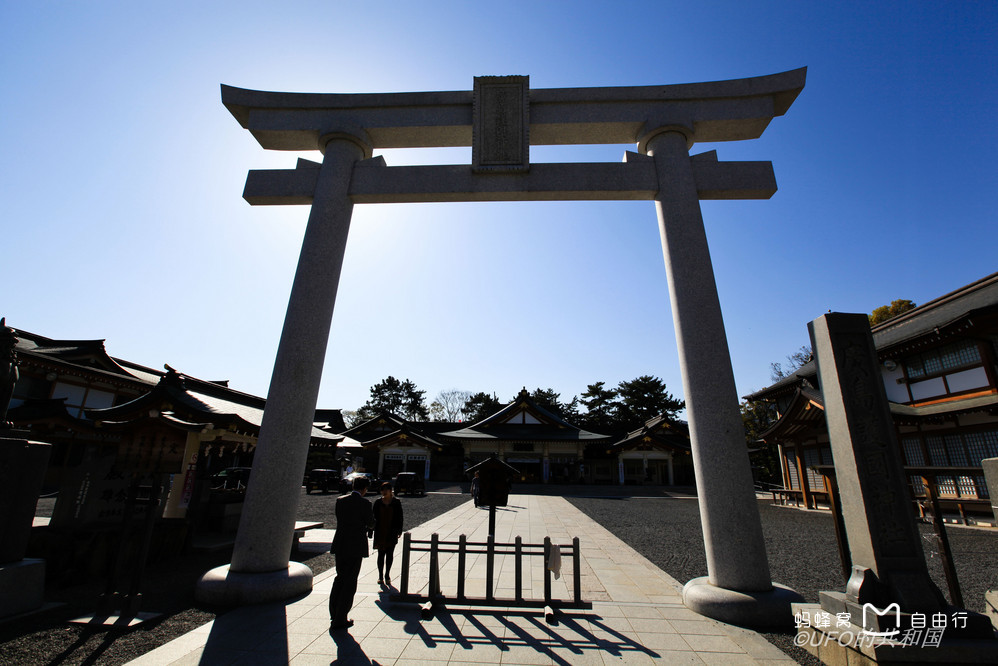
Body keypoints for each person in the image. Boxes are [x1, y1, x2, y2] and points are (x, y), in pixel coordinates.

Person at [329, 475, 374, 631]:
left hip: (340, 544)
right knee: (350, 581)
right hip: (355, 546)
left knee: (339, 578)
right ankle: (341, 618)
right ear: (364, 489)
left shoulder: (340, 501)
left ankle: (333, 612)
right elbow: (371, 523)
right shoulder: (365, 503)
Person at [371, 481, 403, 586]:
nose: (384, 492)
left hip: (391, 531)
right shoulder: (378, 502)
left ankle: (387, 574)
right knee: (380, 554)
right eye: (382, 490)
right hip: (380, 531)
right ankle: (380, 575)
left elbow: (400, 517)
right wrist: (370, 531)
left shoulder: (396, 502)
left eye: (386, 490)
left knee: (390, 554)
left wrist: (399, 530)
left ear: (390, 491)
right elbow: (372, 518)